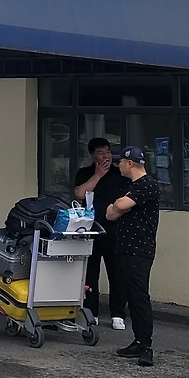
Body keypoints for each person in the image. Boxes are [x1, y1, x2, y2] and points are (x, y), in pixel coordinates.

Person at [106, 145, 160, 367]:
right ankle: (137, 341)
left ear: (129, 163)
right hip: (124, 248)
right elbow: (110, 214)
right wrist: (119, 207)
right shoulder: (130, 186)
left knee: (139, 297)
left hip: (140, 249)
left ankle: (146, 346)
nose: (118, 165)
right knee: (128, 294)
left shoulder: (147, 184)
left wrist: (120, 206)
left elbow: (119, 205)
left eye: (120, 161)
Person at [73, 137, 128, 329]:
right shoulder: (85, 173)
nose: (105, 156)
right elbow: (80, 194)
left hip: (115, 229)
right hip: (91, 229)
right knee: (90, 272)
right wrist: (97, 175)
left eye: (107, 151)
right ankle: (92, 312)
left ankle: (118, 314)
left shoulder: (119, 174)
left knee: (117, 273)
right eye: (100, 152)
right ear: (92, 155)